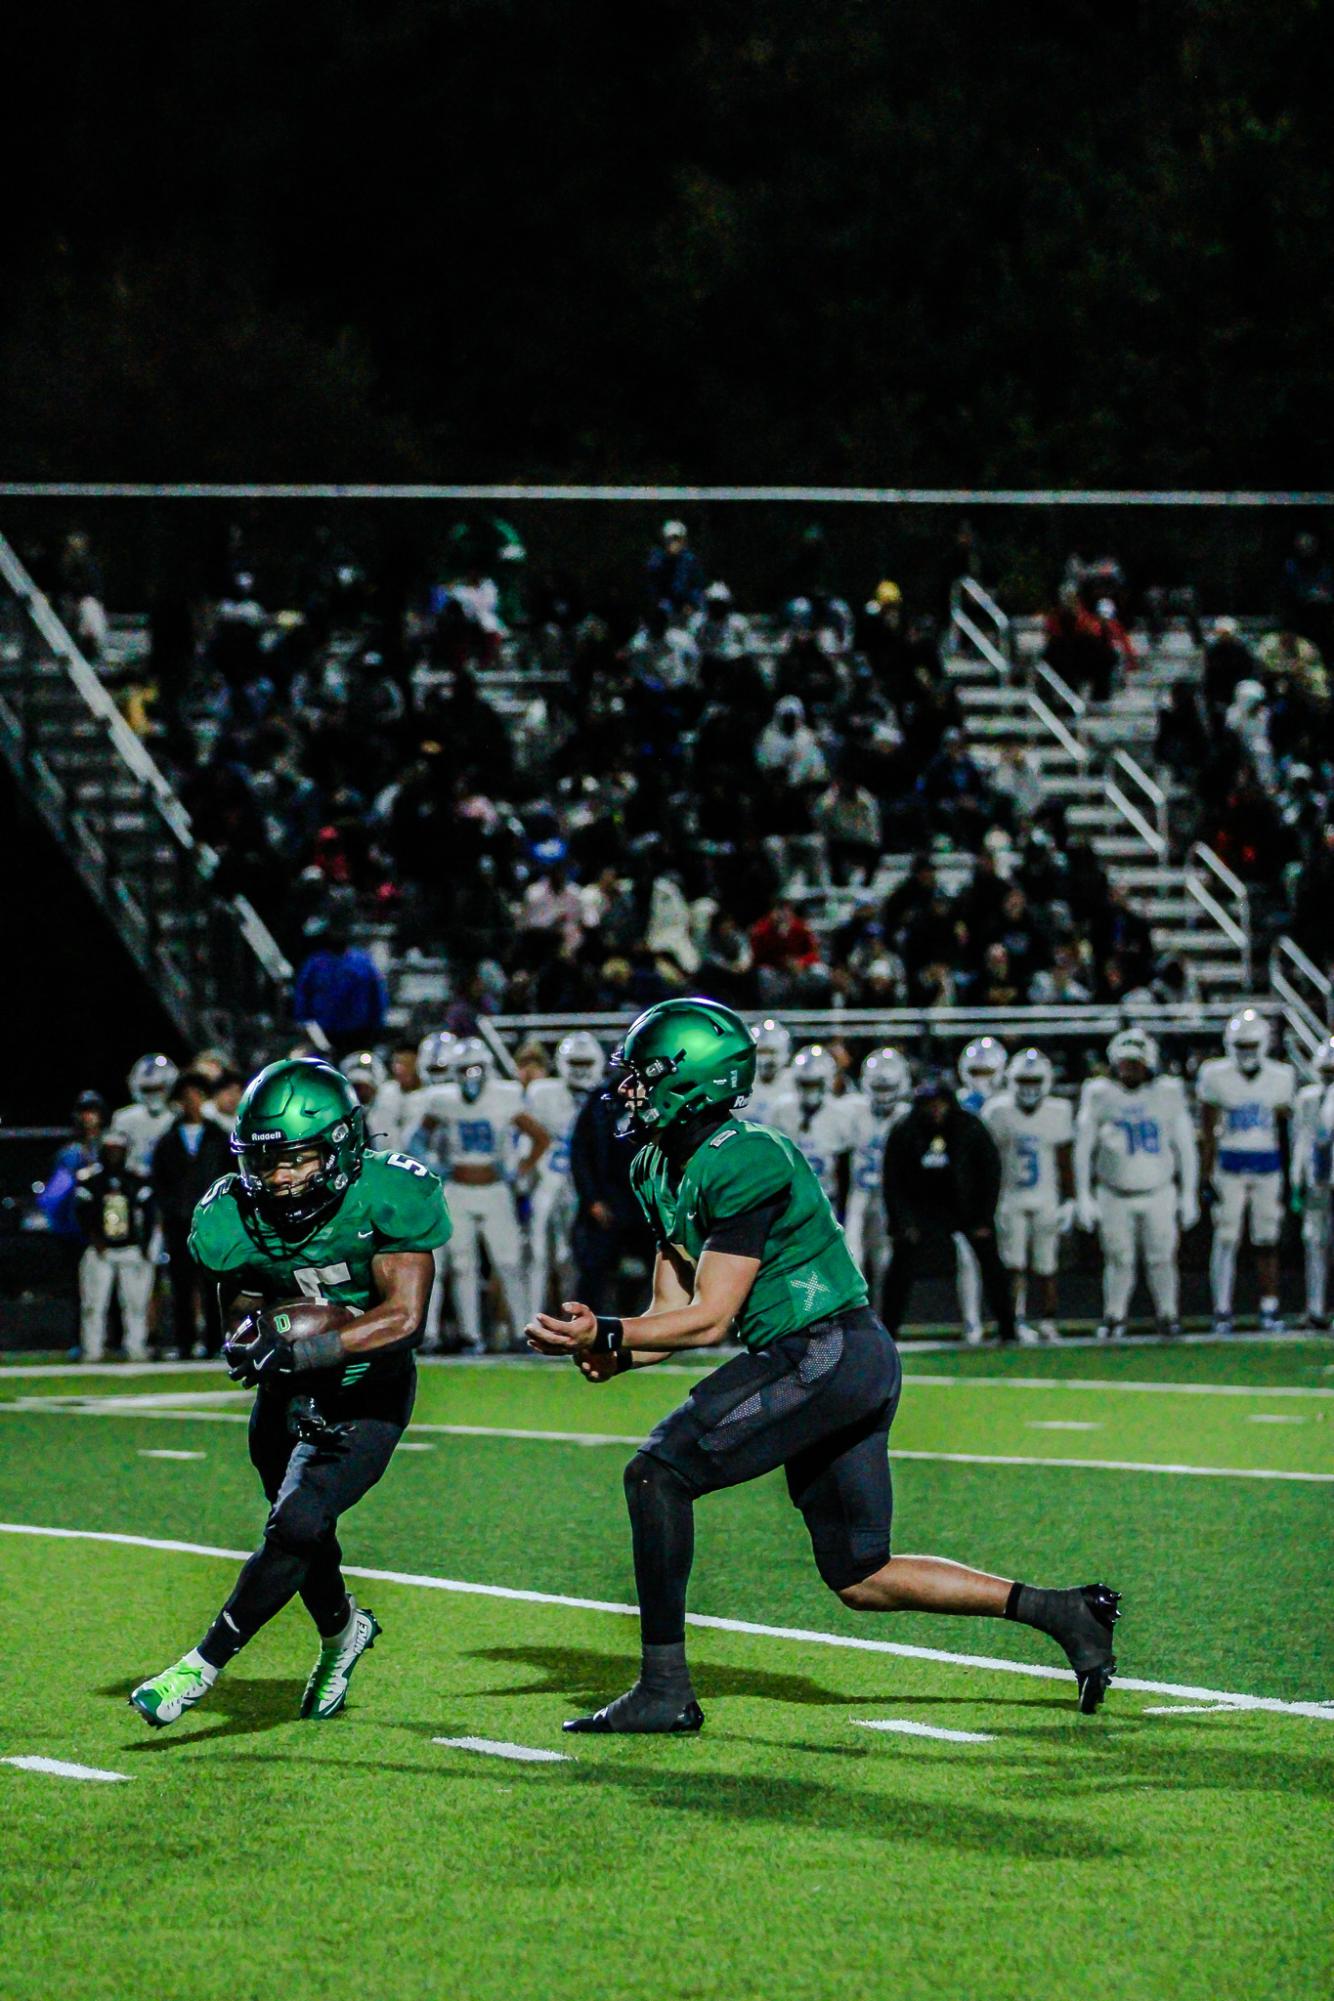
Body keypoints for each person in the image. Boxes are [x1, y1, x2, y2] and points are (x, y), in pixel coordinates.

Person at [526, 998, 1119, 1734]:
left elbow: (711, 1315)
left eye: (644, 1075)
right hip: (838, 1359)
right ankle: (1065, 1612)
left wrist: (609, 1329)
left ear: (694, 1082)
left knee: (657, 1472)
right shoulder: (655, 1165)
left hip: (824, 1351)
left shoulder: (746, 1155)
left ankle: (664, 1688)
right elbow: (668, 1310)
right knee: (862, 1575)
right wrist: (612, 1351)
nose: (629, 1090)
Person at [129, 1057, 452, 1727]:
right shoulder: (236, 1214)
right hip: (290, 1387)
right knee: (301, 1530)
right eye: (267, 1161)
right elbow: (244, 1317)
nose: (279, 1178)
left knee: (299, 1521)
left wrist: (309, 1350)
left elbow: (402, 1318)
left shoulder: (390, 1193)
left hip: (369, 1385)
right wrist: (271, 1363)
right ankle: (342, 1631)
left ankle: (200, 1665)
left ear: (340, 1145)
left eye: (297, 1159)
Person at [409, 1039, 549, 1352]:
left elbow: (540, 1136)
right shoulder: (442, 1100)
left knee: (509, 1262)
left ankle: (524, 1331)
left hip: (495, 1190)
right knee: (462, 1265)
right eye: (464, 1069)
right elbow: (417, 1139)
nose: (470, 1075)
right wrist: (434, 1164)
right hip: (457, 1188)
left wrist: (518, 1169)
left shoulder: (505, 1096)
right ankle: (471, 1335)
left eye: (476, 1068)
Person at [1075, 1029, 1198, 1340]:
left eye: (1136, 1063)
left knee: (1162, 1257)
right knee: (1118, 1258)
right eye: (1125, 1063)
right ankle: (1114, 1315)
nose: (1130, 1069)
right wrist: (1083, 1195)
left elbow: (1185, 1145)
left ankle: (1168, 1313)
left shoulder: (1168, 1093)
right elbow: (1083, 1145)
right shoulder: (1099, 1093)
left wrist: (1189, 1193)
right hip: (1113, 1190)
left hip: (1159, 1189)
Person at [881, 1075, 1018, 1345]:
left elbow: (990, 1174)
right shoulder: (905, 1130)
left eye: (939, 1103)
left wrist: (983, 1218)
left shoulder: (970, 1128)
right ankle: (888, 1331)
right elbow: (893, 1181)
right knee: (900, 1266)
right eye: (929, 1104)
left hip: (964, 1206)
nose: (935, 1110)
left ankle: (1008, 1328)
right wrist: (903, 1223)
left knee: (991, 1263)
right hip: (921, 1207)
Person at [1197, 1010, 1296, 1334]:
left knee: (1267, 1238)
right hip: (1230, 1165)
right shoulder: (1215, 1075)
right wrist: (1205, 1174)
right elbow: (1208, 1127)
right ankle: (1222, 1309)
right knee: (1226, 1238)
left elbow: (1287, 1131)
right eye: (1241, 1044)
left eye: (1252, 1044)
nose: (1247, 1051)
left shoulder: (1281, 1077)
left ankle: (1269, 1306)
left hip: (1267, 1165)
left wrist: (1291, 1173)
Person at [982, 1049, 1076, 1344]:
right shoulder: (997, 1111)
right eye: (1023, 1079)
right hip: (1010, 1196)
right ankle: (1015, 1319)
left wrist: (1070, 1199)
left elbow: (1064, 1159)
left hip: (1046, 1195)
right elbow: (988, 1160)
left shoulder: (1058, 1111)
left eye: (1035, 1079)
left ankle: (1048, 1319)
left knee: (1047, 1264)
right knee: (1013, 1264)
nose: (1029, 1086)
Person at [524, 1032, 606, 1323]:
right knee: (537, 1255)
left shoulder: (604, 1097)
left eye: (586, 1061)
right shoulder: (542, 1093)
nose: (581, 1068)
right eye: (575, 1061)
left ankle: (572, 1320)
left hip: (585, 1186)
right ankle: (531, 1321)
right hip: (549, 1179)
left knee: (571, 1259)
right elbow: (525, 1140)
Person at [150, 1070, 233, 1357]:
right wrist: (171, 1211)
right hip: (179, 1223)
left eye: (197, 1096)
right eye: (186, 1098)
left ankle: (214, 1342)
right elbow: (159, 1181)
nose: (192, 1103)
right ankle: (184, 1343)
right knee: (181, 1285)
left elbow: (230, 1177)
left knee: (213, 1286)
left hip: (212, 1223)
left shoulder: (219, 1137)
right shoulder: (168, 1140)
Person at [73, 1131, 155, 1361]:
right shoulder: (90, 1179)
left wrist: (144, 1244)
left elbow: (148, 1214)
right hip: (101, 1250)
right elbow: (82, 1212)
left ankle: (136, 1347)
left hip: (130, 1248)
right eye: (109, 1150)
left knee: (136, 1304)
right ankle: (92, 1349)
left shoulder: (136, 1179)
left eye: (118, 1150)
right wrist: (93, 1237)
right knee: (94, 1305)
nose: (114, 1155)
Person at [844, 1047, 911, 1307]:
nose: (883, 1095)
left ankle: (883, 1320)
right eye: (878, 1088)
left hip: (890, 1197)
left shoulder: (907, 1116)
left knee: (885, 1261)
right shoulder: (852, 1109)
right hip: (858, 1193)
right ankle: (854, 1320)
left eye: (888, 1088)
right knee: (853, 1257)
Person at [770, 1045, 856, 1221]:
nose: (810, 1091)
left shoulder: (840, 1114)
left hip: (825, 1199)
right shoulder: (782, 1110)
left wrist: (842, 1209)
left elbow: (844, 1170)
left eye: (814, 1084)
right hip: (790, 1201)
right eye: (805, 1084)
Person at [291, 927, 388, 1052]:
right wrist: (303, 1020)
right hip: (322, 1031)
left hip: (357, 1031)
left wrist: (377, 1023)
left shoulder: (363, 962)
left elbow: (377, 994)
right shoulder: (315, 963)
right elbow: (302, 993)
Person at [1293, 1038, 1334, 1329]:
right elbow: (1303, 1140)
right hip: (1318, 1183)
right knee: (1314, 1243)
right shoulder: (1309, 1098)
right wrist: (1298, 1180)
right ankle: (1315, 1308)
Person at [111, 1053, 180, 1176]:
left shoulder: (178, 1116)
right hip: (132, 1180)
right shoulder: (124, 1118)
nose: (153, 1095)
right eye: (148, 1089)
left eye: (158, 1088)